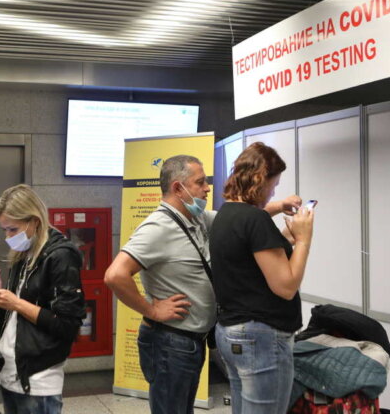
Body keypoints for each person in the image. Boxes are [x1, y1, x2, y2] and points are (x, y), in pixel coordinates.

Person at [104, 155, 300, 414]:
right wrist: (152, 310)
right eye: (200, 182)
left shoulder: (195, 218)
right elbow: (115, 275)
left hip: (190, 341)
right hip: (169, 341)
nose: (207, 188)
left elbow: (239, 220)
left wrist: (279, 205)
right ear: (178, 188)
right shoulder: (158, 227)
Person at [210, 142, 315, 414]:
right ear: (260, 180)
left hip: (231, 332)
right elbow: (286, 286)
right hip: (261, 337)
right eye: (274, 184)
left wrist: (281, 228)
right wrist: (303, 240)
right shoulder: (256, 221)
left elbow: (250, 256)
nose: (274, 192)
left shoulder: (226, 213)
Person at [0, 184, 85, 414]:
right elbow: (7, 321)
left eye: (12, 229)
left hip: (38, 379)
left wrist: (16, 303)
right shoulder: (23, 254)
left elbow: (67, 325)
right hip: (10, 372)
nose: (8, 237)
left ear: (34, 221)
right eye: (4, 230)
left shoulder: (61, 256)